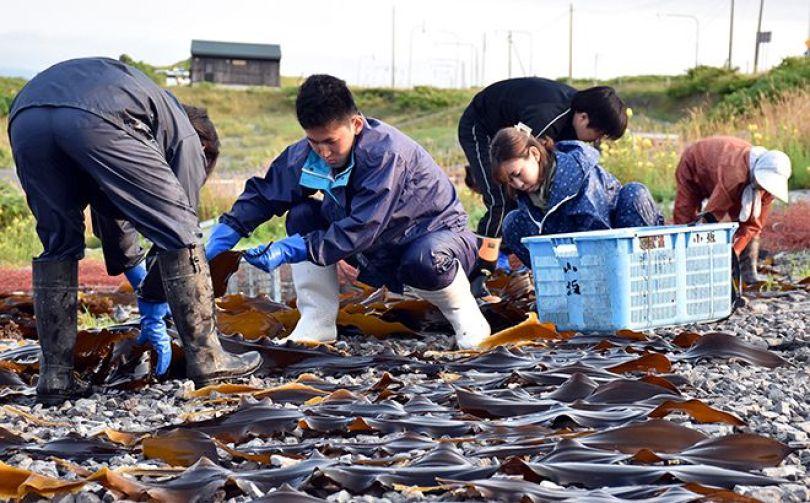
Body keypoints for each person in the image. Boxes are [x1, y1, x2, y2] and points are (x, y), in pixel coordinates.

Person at [8, 57, 261, 405]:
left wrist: (138, 274)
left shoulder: (141, 111)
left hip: (26, 116)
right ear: (204, 150)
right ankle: (208, 358)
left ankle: (56, 376)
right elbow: (179, 229)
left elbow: (110, 206)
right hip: (93, 115)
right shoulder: (186, 137)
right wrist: (155, 296)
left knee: (58, 243)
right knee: (181, 231)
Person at [205, 74, 490, 349]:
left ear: (355, 123)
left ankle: (468, 321)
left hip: (434, 236)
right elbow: (269, 191)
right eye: (314, 142)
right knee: (302, 215)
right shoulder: (311, 153)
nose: (323, 153)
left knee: (425, 260)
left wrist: (293, 249)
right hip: (374, 247)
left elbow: (364, 226)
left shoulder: (387, 155)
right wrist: (231, 228)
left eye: (330, 141)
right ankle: (317, 321)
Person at [458, 77, 628, 293]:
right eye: (600, 135)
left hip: (513, 142)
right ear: (584, 118)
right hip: (481, 128)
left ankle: (525, 267)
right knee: (500, 200)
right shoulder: (546, 119)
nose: (597, 141)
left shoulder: (575, 121)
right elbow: (522, 165)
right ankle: (479, 273)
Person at [490, 126, 663, 266]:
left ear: (534, 154)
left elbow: (602, 234)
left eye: (518, 173)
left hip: (618, 255)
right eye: (509, 181)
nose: (517, 184)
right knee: (511, 223)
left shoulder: (580, 176)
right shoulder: (526, 201)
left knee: (635, 193)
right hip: (571, 269)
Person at [672, 136, 791, 283]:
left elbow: (753, 226)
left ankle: (748, 274)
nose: (764, 189)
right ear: (757, 172)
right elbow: (712, 217)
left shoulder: (767, 189)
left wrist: (734, 252)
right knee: (685, 218)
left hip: (720, 173)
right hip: (695, 164)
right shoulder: (734, 174)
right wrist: (716, 256)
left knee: (750, 220)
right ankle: (685, 266)